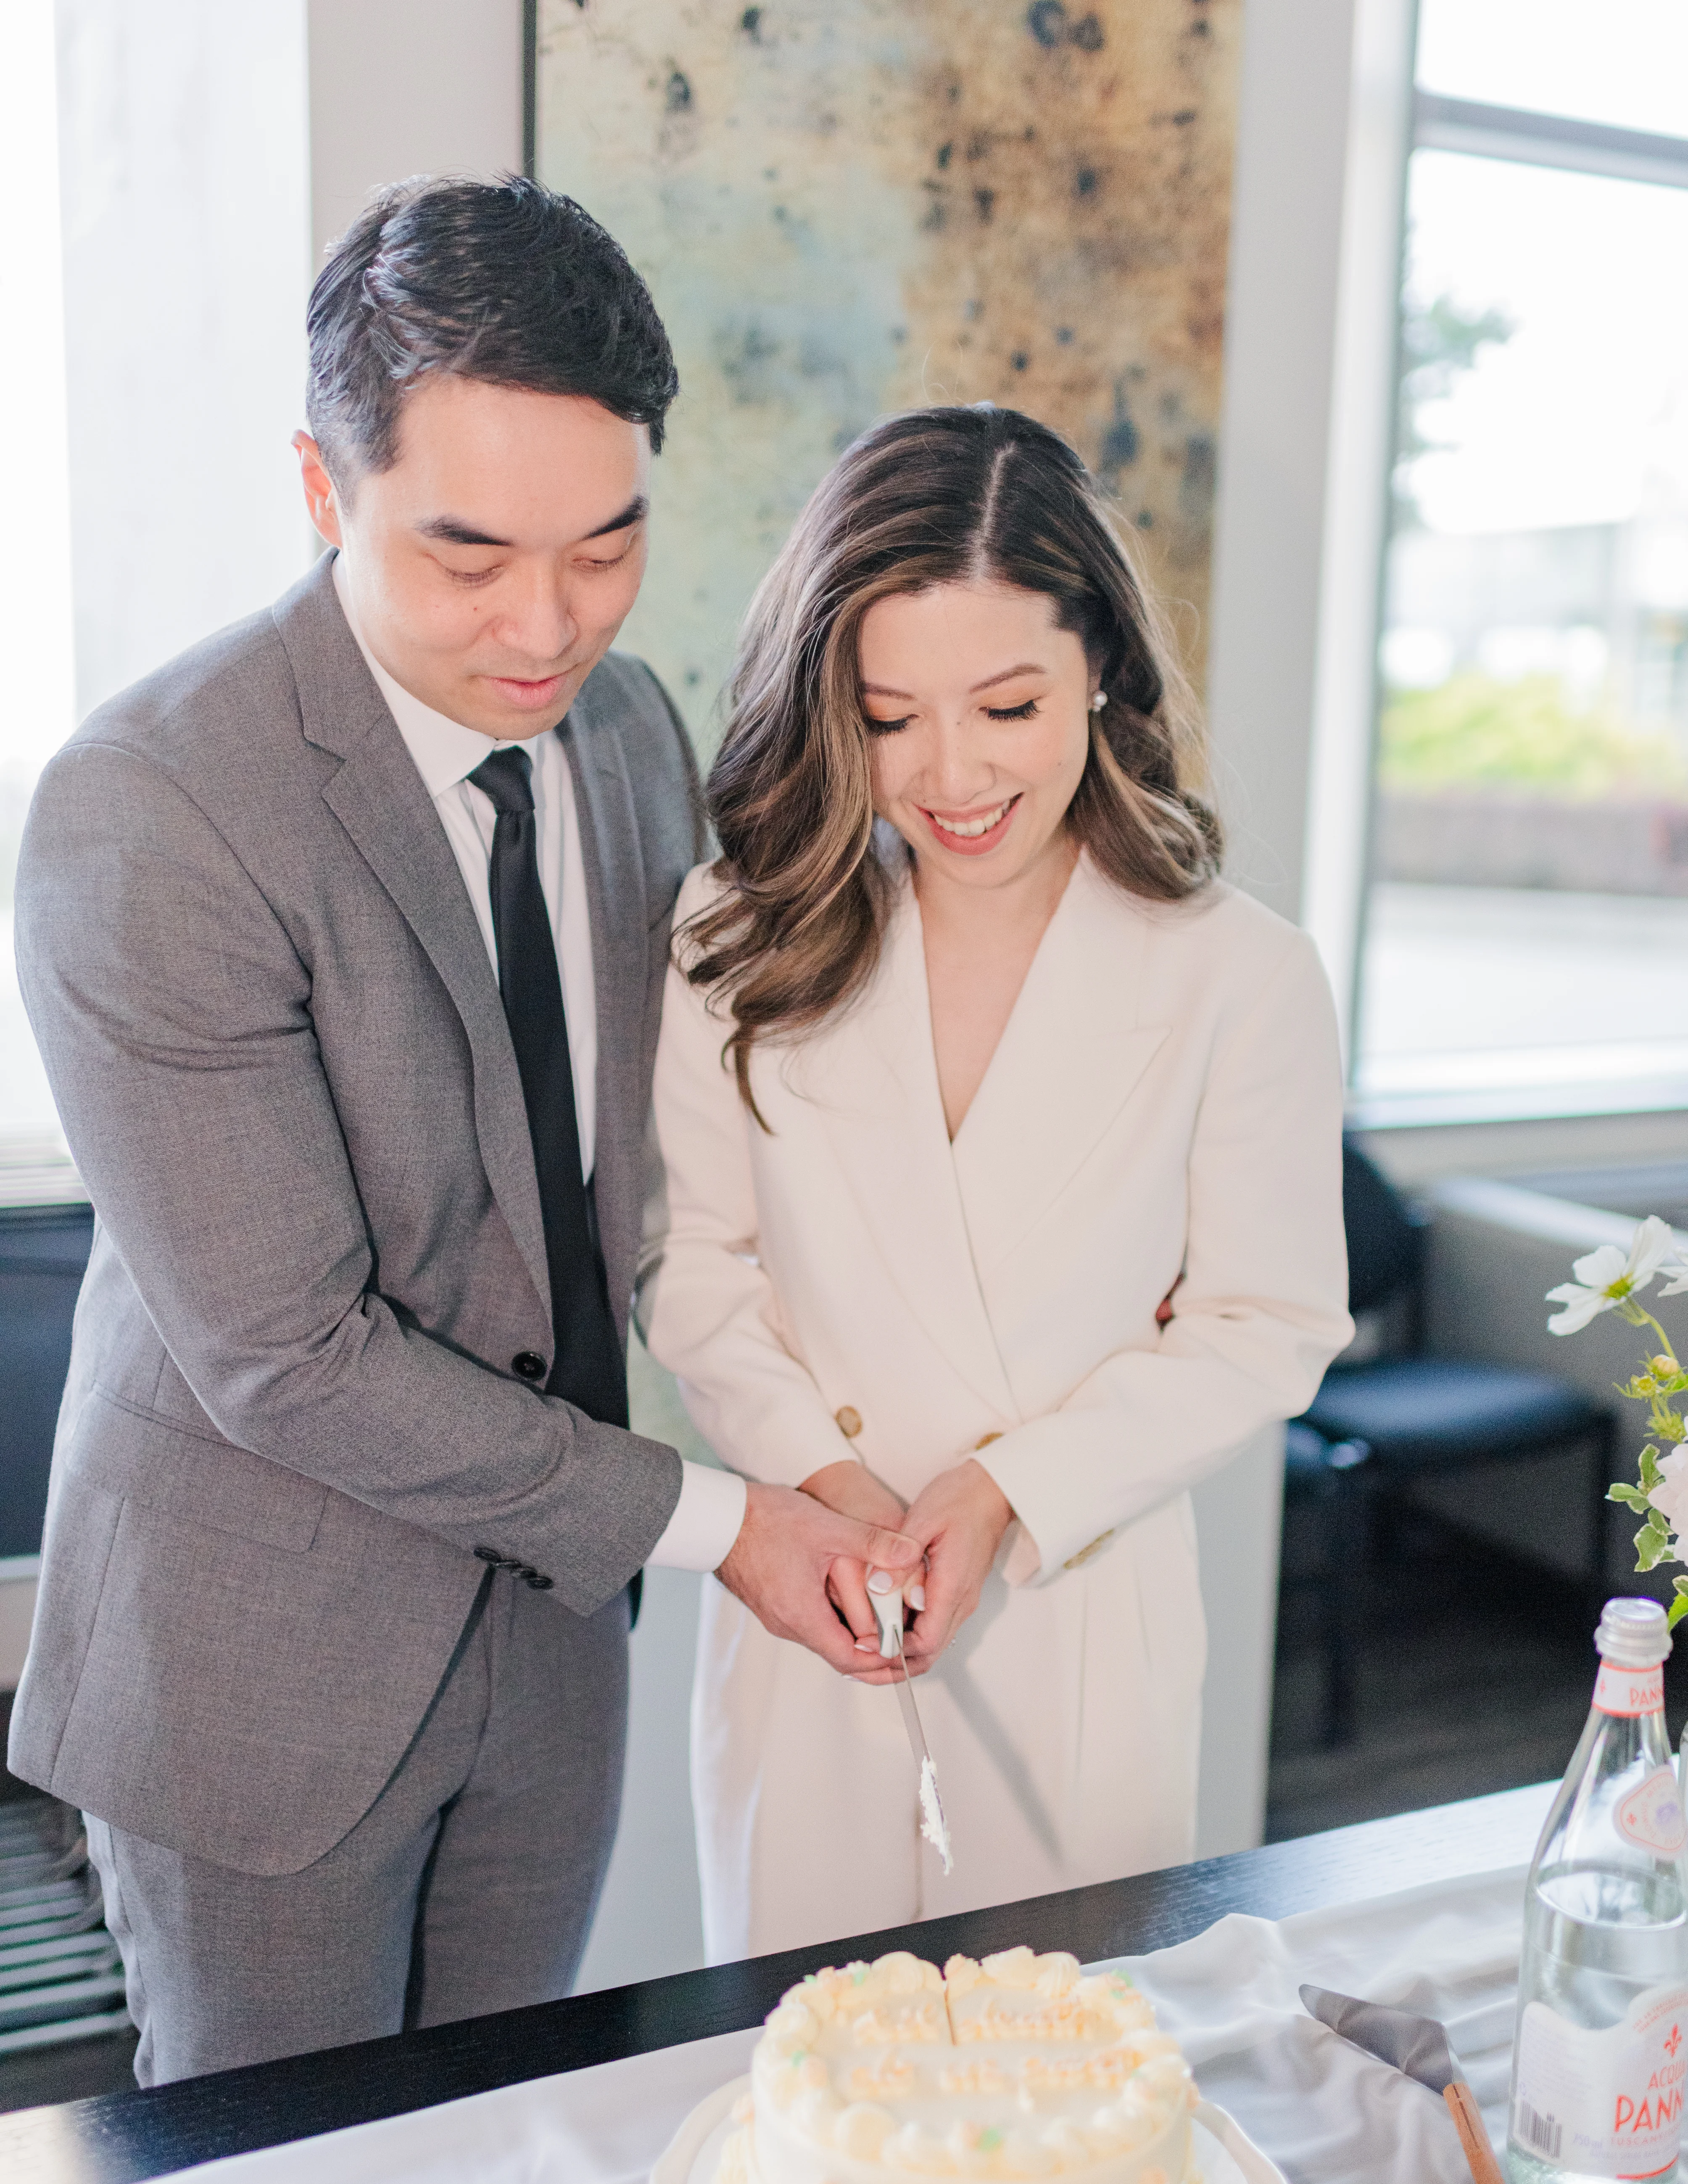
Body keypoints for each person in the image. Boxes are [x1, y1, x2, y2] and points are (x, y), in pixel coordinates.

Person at [11, 176, 920, 2084]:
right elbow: (286, 1353)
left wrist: (805, 1441)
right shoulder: (150, 807)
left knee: (508, 2156)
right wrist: (723, 1522)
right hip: (257, 1665)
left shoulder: (632, 730)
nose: (545, 623)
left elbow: (643, 1176)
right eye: (469, 552)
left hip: (551, 1636)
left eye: (607, 546)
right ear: (323, 489)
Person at [639, 404, 1355, 1962]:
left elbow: (1267, 1319)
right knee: (812, 2090)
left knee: (1059, 2102)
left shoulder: (1242, 973)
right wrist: (830, 1493)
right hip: (817, 1608)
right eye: (890, 717)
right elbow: (692, 1265)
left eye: (1010, 704)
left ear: (1100, 666)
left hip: (1077, 1612)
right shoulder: (735, 932)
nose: (950, 774)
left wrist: (1007, 1490)